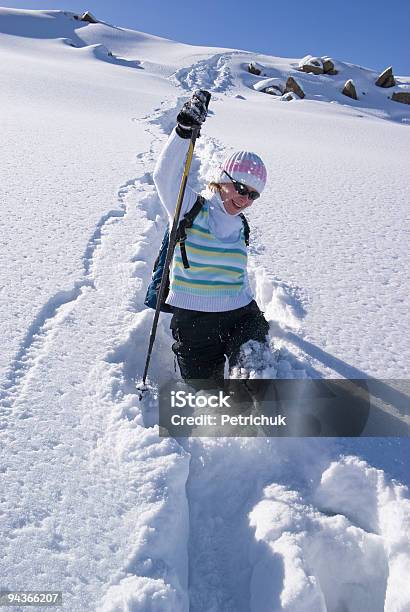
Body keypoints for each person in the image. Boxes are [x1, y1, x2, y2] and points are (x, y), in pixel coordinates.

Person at [152, 90, 271, 387]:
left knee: (253, 369)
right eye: (241, 188)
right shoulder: (190, 209)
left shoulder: (241, 225)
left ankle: (252, 378)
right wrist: (183, 132)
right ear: (223, 179)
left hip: (240, 314)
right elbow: (164, 176)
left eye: (253, 195)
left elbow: (238, 275)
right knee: (206, 387)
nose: (244, 199)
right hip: (195, 322)